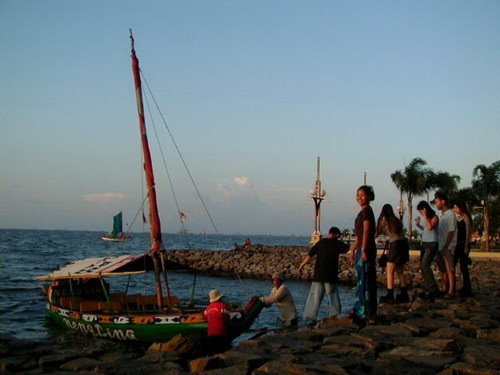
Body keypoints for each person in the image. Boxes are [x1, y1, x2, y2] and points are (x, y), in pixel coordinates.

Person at [298, 226, 349, 325]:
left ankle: (309, 319)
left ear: (329, 233)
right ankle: (334, 316)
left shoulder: (320, 242)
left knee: (314, 298)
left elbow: (310, 255)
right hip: (330, 275)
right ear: (336, 235)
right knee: (333, 296)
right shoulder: (337, 243)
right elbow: (350, 249)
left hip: (319, 275)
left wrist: (301, 265)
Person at [349, 185, 377, 324]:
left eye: (362, 195)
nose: (359, 197)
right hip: (362, 248)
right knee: (361, 280)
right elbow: (360, 235)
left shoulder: (367, 211)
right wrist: (354, 248)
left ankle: (366, 312)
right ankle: (359, 309)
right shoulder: (363, 211)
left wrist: (364, 250)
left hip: (367, 249)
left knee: (366, 281)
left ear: (369, 196)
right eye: (357, 195)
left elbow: (366, 231)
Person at [376, 204, 410, 304]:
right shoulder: (397, 220)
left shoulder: (385, 220)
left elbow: (376, 233)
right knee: (400, 270)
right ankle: (404, 294)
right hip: (404, 244)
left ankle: (390, 295)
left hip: (395, 245)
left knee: (390, 271)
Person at [433, 192, 457, 299]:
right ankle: (447, 288)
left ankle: (452, 290)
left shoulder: (450, 214)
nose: (436, 204)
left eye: (437, 202)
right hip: (442, 246)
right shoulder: (441, 215)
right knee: (445, 269)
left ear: (443, 201)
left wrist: (446, 246)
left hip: (449, 247)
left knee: (450, 268)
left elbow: (451, 231)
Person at [415, 200, 440, 298]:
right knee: (422, 266)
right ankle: (429, 288)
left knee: (425, 265)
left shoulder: (435, 217)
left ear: (425, 209)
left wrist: (425, 216)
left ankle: (434, 288)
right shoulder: (428, 218)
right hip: (424, 244)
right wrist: (418, 225)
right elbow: (426, 229)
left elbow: (430, 227)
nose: (421, 214)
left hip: (432, 244)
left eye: (421, 211)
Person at [453, 200, 473, 297]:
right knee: (454, 264)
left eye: (456, 207)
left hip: (463, 244)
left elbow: (468, 233)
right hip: (457, 245)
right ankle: (454, 287)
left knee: (463, 267)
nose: (455, 209)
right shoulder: (458, 218)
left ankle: (467, 288)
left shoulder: (466, 217)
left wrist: (466, 246)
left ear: (461, 207)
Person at [203, 289, 231, 354]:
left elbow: (204, 316)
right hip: (221, 334)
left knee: (211, 351)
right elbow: (227, 318)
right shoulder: (223, 306)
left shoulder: (208, 308)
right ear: (220, 298)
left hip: (210, 334)